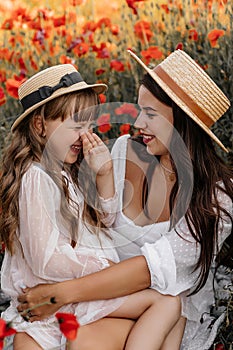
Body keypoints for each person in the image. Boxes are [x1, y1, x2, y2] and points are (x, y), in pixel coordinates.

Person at [16, 50, 232, 350]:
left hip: (158, 308)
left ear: (182, 122)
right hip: (99, 301)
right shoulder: (121, 152)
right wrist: (103, 176)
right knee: (73, 338)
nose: (138, 123)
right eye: (139, 109)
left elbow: (151, 270)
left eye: (151, 114)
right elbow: (86, 224)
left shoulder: (216, 198)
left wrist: (59, 294)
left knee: (85, 338)